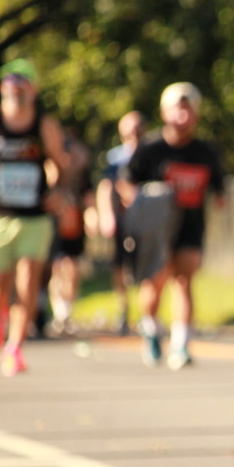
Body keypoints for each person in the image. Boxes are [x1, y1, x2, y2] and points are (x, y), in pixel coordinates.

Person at [0, 59, 71, 376]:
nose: (16, 88)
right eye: (10, 82)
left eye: (22, 82)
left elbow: (60, 163)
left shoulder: (44, 125)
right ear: (2, 87)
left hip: (33, 216)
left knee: (27, 284)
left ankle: (15, 347)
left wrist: (58, 191)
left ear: (34, 89)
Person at [121, 83, 225, 370]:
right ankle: (151, 329)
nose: (182, 115)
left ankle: (181, 344)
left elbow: (219, 189)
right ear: (165, 112)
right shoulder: (150, 149)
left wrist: (220, 199)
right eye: (177, 108)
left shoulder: (205, 151)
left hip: (190, 225)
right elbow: (126, 183)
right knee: (155, 284)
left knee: (184, 280)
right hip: (157, 229)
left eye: (188, 108)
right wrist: (144, 202)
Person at [97, 111, 146, 335]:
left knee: (147, 266)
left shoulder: (151, 152)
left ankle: (147, 313)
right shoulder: (115, 158)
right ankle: (124, 310)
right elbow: (106, 187)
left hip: (146, 220)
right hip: (123, 219)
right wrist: (106, 215)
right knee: (120, 266)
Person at [46, 125, 95, 335]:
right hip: (54, 225)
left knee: (71, 267)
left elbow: (88, 196)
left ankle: (66, 310)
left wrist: (92, 217)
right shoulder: (50, 170)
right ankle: (58, 311)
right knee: (57, 267)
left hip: (75, 224)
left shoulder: (81, 174)